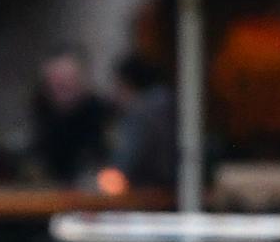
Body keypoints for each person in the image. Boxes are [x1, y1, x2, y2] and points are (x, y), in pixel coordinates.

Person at [29, 46, 112, 185]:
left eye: (66, 80)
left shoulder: (102, 115)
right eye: (54, 81)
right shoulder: (43, 113)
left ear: (82, 79)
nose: (60, 86)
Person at [108, 53, 178, 192]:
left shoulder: (140, 115)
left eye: (118, 86)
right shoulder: (171, 108)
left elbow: (124, 165)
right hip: (174, 191)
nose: (114, 95)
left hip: (146, 196)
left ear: (128, 85)